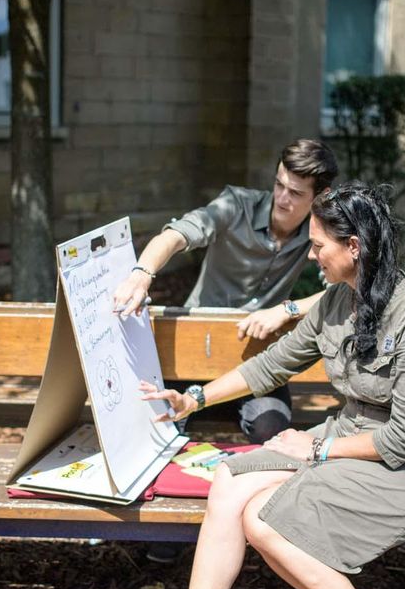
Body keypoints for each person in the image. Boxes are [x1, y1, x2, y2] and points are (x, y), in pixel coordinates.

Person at [114, 183, 405, 589]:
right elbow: (271, 364)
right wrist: (194, 398)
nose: (310, 253)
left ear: (355, 248)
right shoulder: (335, 301)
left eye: (319, 244)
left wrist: (318, 451)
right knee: (232, 479)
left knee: (265, 520)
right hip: (347, 438)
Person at [112, 139, 339, 445]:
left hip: (256, 357)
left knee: (270, 429)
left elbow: (346, 289)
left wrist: (287, 309)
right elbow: (177, 235)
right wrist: (142, 274)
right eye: (279, 185)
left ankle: (226, 405)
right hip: (197, 346)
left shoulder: (319, 231)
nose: (283, 198)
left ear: (320, 196)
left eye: (296, 193)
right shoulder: (236, 204)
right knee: (159, 426)